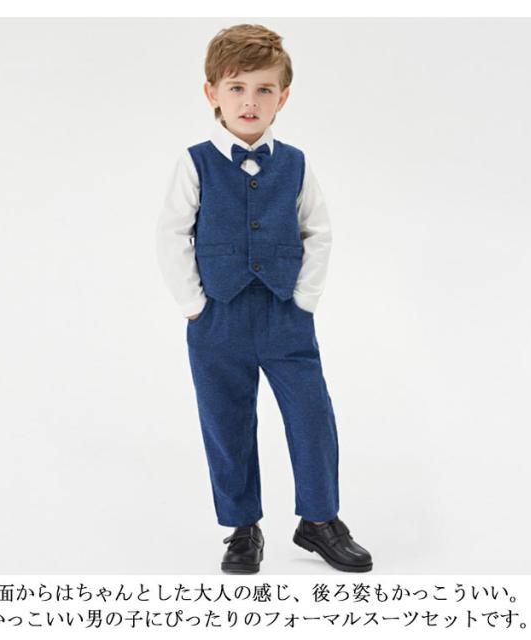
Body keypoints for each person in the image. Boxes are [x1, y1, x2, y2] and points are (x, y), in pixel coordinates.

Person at [156, 23, 372, 574]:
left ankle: (319, 520)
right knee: (226, 423)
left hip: (284, 316)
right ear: (212, 93)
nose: (249, 101)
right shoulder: (196, 162)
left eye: (263, 89)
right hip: (218, 319)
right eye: (236, 88)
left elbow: (318, 231)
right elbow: (172, 235)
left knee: (312, 416)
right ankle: (241, 528)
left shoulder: (295, 163)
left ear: (283, 96)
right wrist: (194, 306)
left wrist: (303, 301)